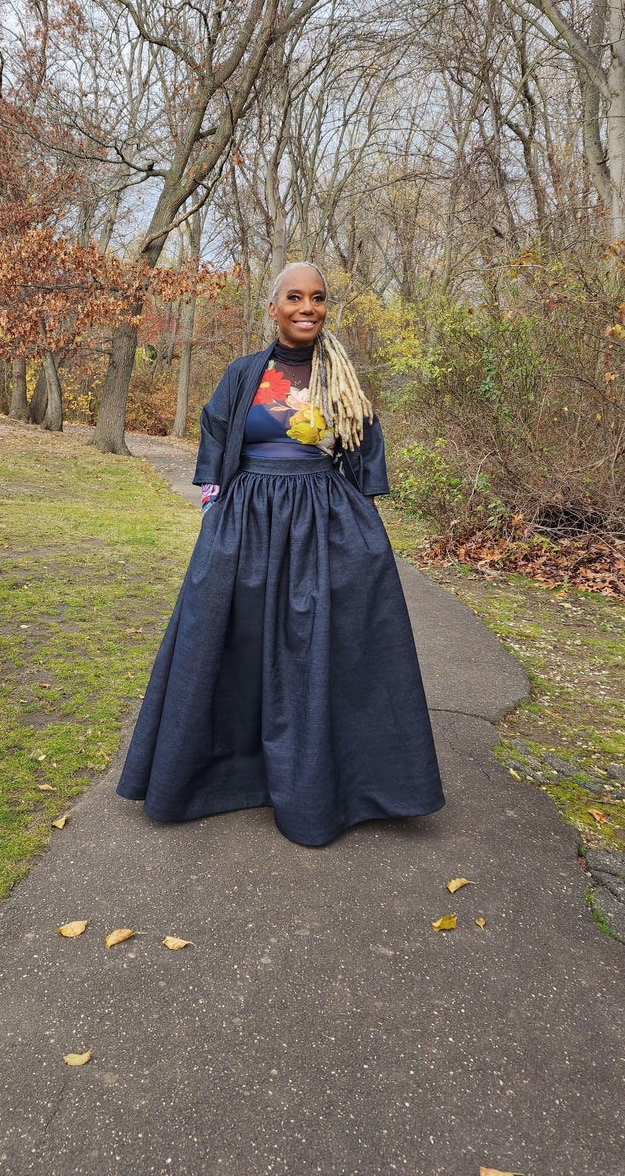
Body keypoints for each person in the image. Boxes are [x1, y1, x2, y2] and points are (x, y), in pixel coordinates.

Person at [116, 262, 444, 846]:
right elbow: (218, 436)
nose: (307, 308)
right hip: (247, 522)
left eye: (317, 298)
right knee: (224, 638)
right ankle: (222, 776)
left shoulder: (341, 376)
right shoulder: (244, 374)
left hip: (322, 522)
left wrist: (364, 520)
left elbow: (365, 447)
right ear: (274, 307)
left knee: (318, 647)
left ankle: (325, 784)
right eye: (294, 297)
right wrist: (216, 507)